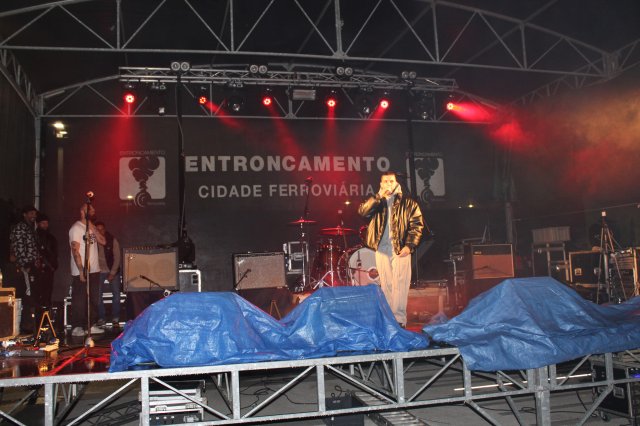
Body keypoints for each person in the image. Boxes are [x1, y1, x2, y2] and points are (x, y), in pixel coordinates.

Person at [358, 171, 424, 327]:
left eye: (391, 181)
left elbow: (417, 225)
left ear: (397, 183)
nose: (388, 184)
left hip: (400, 247)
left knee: (400, 283)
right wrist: (378, 197)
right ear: (381, 184)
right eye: (385, 181)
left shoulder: (409, 203)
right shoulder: (376, 202)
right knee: (386, 284)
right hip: (382, 248)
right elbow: (362, 212)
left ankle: (399, 319)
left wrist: (409, 245)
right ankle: (389, 319)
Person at [69, 203, 106, 337]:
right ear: (82, 211)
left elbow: (103, 241)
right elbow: (75, 251)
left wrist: (92, 227)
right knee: (80, 299)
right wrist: (81, 271)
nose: (94, 211)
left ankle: (90, 325)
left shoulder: (92, 227)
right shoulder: (76, 228)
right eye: (91, 210)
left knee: (93, 299)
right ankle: (77, 326)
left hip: (94, 270)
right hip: (82, 270)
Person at [9, 205, 41, 333]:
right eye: (31, 213)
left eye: (35, 214)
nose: (34, 216)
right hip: (25, 266)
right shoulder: (20, 228)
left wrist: (37, 260)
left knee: (32, 294)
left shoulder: (31, 228)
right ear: (24, 214)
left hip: (32, 265)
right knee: (28, 294)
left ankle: (31, 325)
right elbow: (19, 247)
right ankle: (26, 326)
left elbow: (33, 247)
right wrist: (25, 263)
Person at [95, 221, 122, 327]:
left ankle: (116, 317)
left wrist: (113, 273)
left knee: (116, 294)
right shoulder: (93, 242)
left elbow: (117, 257)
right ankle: (101, 317)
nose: (100, 231)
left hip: (112, 269)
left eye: (101, 229)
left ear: (105, 230)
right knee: (97, 295)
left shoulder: (112, 240)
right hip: (98, 271)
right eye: (97, 230)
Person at [36, 213, 58, 310]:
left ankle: (46, 313)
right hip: (37, 269)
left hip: (49, 269)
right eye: (43, 223)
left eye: (46, 223)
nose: (45, 225)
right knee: (37, 293)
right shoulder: (34, 236)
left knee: (47, 292)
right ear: (38, 224)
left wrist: (52, 266)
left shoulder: (51, 238)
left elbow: (55, 253)